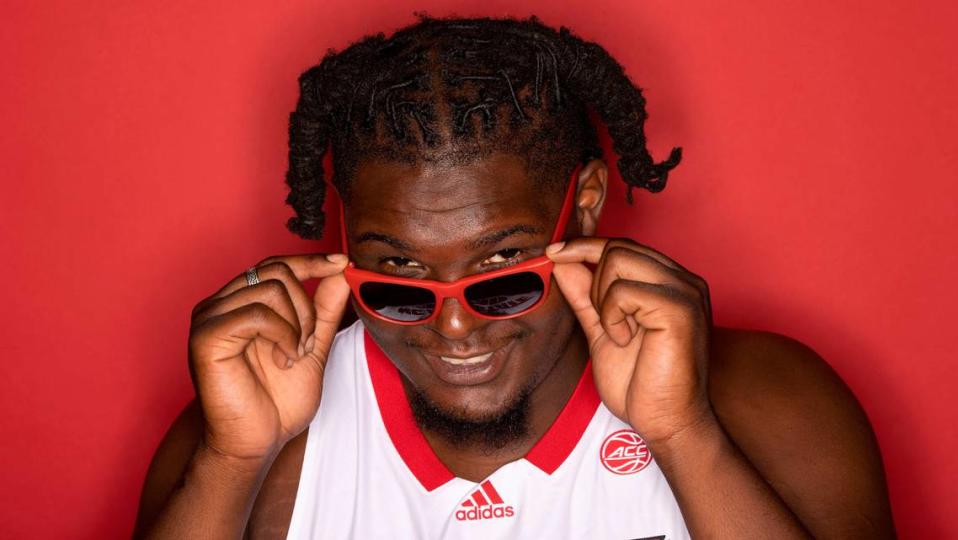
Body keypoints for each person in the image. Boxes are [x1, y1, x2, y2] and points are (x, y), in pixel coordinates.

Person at [134, 14, 895, 539]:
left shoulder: (769, 403)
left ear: (585, 205)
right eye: (397, 274)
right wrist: (230, 463)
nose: (455, 326)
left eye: (502, 268)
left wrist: (687, 437)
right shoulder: (254, 443)